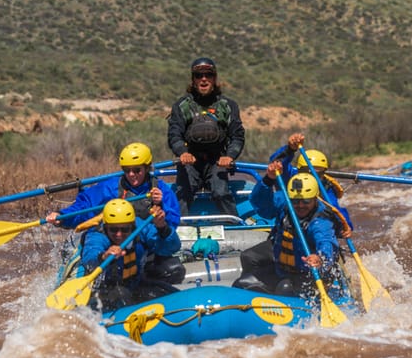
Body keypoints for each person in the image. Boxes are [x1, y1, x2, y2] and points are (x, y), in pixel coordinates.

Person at [46, 142, 185, 283]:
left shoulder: (157, 201)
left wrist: (162, 221)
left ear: (147, 168)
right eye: (126, 170)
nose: (131, 174)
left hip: (145, 248)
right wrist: (62, 217)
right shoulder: (107, 202)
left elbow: (171, 238)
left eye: (137, 170)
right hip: (110, 251)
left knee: (174, 270)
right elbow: (85, 206)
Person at [232, 162, 343, 297]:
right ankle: (258, 300)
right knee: (243, 278)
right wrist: (268, 180)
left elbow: (326, 243)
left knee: (284, 288)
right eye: (296, 201)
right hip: (282, 267)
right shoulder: (285, 202)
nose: (300, 205)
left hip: (309, 273)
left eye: (306, 201)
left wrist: (320, 259)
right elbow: (259, 204)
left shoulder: (320, 222)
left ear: (315, 199)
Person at [167, 57, 245, 218]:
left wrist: (229, 156)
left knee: (220, 192)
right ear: (193, 80)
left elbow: (237, 135)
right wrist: (182, 152)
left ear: (214, 78)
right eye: (198, 75)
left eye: (208, 75)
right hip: (190, 161)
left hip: (217, 161)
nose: (203, 79)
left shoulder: (228, 106)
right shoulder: (181, 106)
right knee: (182, 193)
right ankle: (177, 231)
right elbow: (174, 134)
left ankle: (235, 226)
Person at [79, 199, 182, 310]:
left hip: (136, 283)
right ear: (106, 227)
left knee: (168, 292)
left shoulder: (141, 228)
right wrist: (104, 256)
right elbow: (90, 258)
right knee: (122, 295)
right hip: (104, 291)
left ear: (132, 226)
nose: (119, 234)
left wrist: (163, 228)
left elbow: (172, 247)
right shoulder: (97, 235)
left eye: (124, 229)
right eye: (113, 229)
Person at [269, 132, 353, 232]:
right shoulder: (290, 177)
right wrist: (289, 149)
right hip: (289, 226)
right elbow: (276, 162)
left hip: (312, 229)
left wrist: (345, 225)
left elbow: (334, 208)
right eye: (308, 172)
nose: (313, 177)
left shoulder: (325, 187)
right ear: (299, 170)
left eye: (319, 173)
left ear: (324, 173)